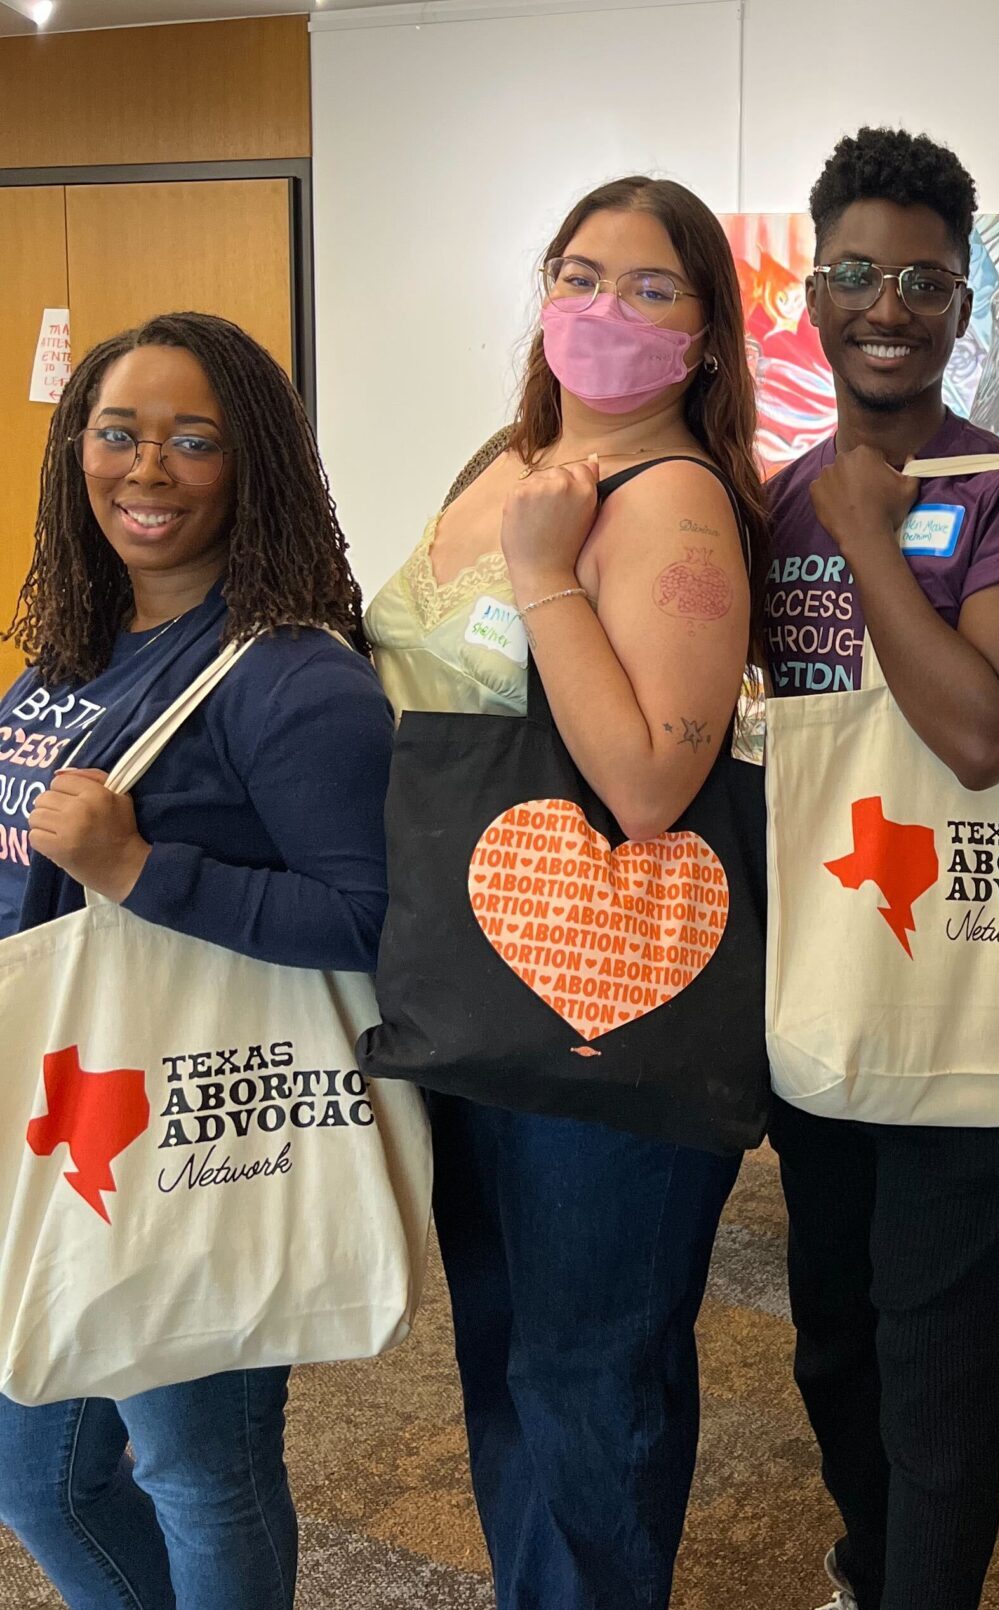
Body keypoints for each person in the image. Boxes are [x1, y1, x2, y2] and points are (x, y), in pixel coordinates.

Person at [363, 175, 764, 1610]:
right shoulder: (503, 457)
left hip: (606, 1006)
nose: (606, 311)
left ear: (708, 337)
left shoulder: (675, 502)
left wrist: (545, 577)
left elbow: (654, 779)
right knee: (508, 1351)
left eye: (652, 288)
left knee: (590, 1373)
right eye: (581, 275)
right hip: (474, 979)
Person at [0, 311, 389, 1610]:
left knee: (195, 1469)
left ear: (251, 466)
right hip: (54, 1113)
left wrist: (142, 872)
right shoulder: (77, 643)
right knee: (37, 1476)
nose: (146, 468)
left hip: (191, 1126)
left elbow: (373, 922)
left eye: (191, 440)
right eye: (117, 432)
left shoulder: (290, 678)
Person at [762, 127, 999, 1610]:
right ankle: (871, 1562)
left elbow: (978, 729)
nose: (885, 305)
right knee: (831, 1331)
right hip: (825, 981)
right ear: (811, 291)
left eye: (924, 280)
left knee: (942, 1354)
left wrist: (869, 534)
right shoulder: (771, 499)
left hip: (970, 992)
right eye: (855, 273)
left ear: (966, 306)